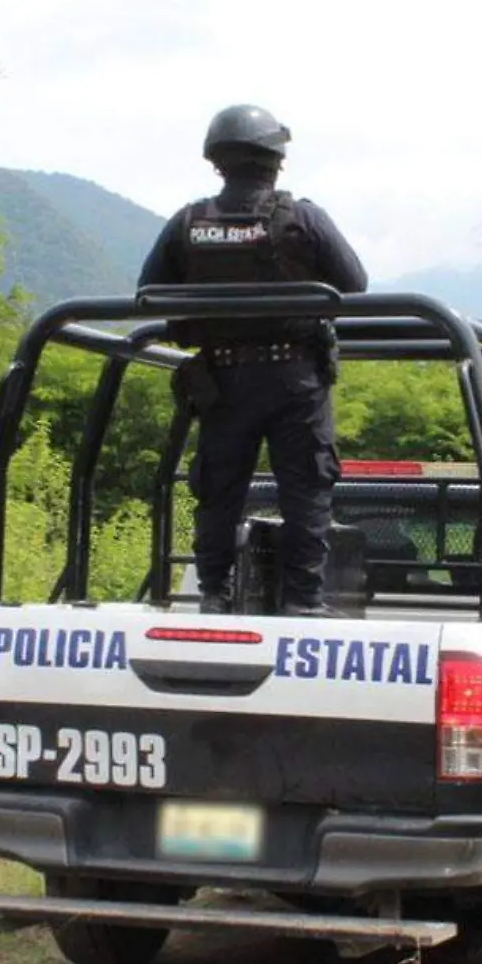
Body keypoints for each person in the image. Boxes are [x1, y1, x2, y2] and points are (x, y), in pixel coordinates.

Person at [138, 104, 370, 617]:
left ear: (217, 161)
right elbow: (355, 284)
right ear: (276, 160)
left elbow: (149, 291)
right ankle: (305, 601)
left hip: (221, 379)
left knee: (219, 490)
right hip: (294, 378)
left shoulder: (188, 224)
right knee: (305, 488)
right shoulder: (303, 219)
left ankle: (213, 595)